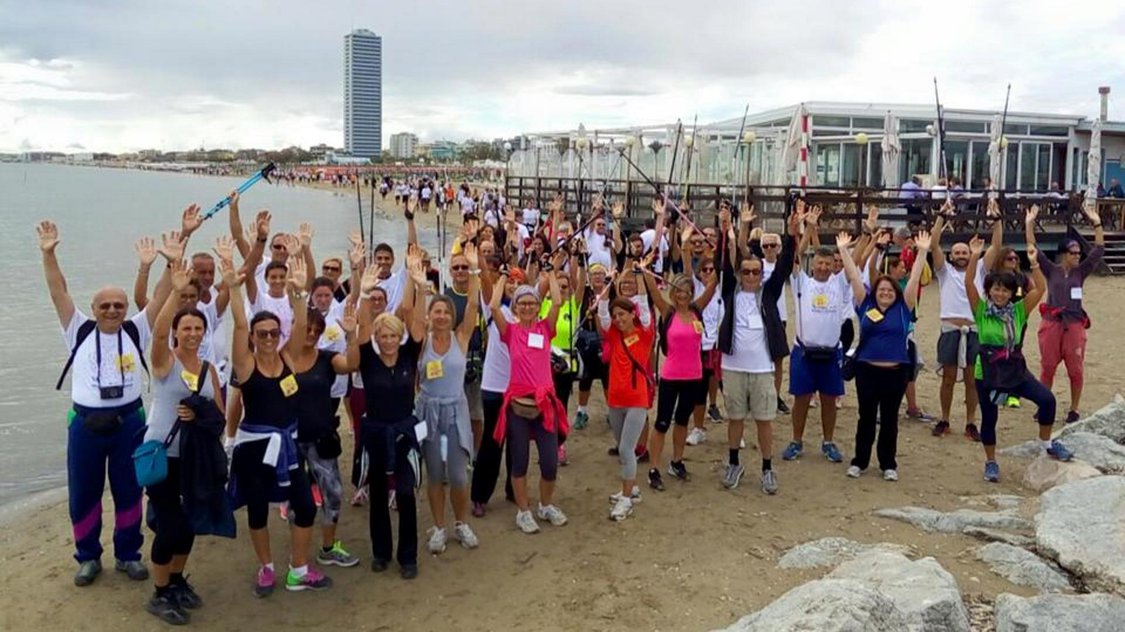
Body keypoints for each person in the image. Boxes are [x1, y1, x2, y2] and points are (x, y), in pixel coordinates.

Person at [40, 216, 181, 587]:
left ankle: (128, 554)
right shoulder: (78, 329)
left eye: (119, 304)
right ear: (94, 307)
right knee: (84, 492)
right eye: (106, 305)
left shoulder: (137, 329)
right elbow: (58, 292)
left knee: (129, 489)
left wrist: (169, 263)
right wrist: (48, 254)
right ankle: (87, 557)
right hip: (85, 424)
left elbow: (163, 295)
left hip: (129, 423)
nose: (114, 310)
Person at [221, 252, 332, 596]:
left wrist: (299, 292)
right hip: (255, 447)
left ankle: (298, 568)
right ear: (253, 337)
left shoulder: (287, 358)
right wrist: (234, 287)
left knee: (304, 506)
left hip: (287, 444)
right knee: (257, 510)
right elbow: (240, 324)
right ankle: (266, 567)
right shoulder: (245, 365)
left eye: (273, 333)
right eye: (262, 334)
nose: (269, 338)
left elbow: (300, 325)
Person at [142, 260, 226, 624]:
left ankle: (176, 581)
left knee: (190, 523)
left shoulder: (208, 370)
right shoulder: (165, 363)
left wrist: (202, 415)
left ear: (204, 332)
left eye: (197, 328)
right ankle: (160, 593)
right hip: (163, 455)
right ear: (177, 331)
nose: (192, 333)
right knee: (171, 525)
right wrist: (175, 293)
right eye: (185, 327)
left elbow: (220, 416)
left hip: (194, 460)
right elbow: (157, 336)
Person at [964, 235, 1073, 483]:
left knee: (1047, 400)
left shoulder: (1018, 311)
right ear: (989, 291)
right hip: (987, 372)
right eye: (996, 289)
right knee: (990, 417)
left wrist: (1033, 263)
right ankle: (991, 462)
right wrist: (974, 256)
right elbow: (968, 282)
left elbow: (1040, 290)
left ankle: (1046, 443)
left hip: (1014, 368)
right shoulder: (981, 311)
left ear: (1011, 293)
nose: (1000, 293)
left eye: (1005, 290)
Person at [355, 246, 427, 579]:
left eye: (392, 335)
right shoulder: (368, 359)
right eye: (383, 335)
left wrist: (419, 283)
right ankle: (380, 552)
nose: (387, 340)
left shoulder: (408, 356)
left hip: (404, 431)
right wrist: (365, 291)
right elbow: (363, 327)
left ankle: (408, 557)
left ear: (399, 337)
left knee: (406, 493)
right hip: (374, 431)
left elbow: (418, 323)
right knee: (379, 494)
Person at [838, 230, 929, 481]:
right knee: (866, 418)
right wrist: (844, 251)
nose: (886, 293)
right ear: (875, 292)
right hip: (867, 371)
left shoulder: (903, 307)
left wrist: (922, 252)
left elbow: (913, 281)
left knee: (890, 420)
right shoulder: (865, 304)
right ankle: (860, 461)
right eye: (882, 290)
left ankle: (888, 463)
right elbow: (855, 277)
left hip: (895, 373)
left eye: (890, 290)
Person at [718, 204, 797, 493]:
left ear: (762, 274)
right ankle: (734, 462)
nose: (751, 276)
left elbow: (786, 264)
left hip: (763, 369)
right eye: (746, 272)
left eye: (755, 272)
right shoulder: (730, 291)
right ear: (740, 274)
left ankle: (767, 467)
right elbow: (724, 261)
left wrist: (791, 235)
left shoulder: (770, 292)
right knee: (735, 419)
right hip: (734, 367)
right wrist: (731, 227)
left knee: (765, 421)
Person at [488, 266, 569, 534]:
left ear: (537, 306)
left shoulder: (546, 328)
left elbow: (557, 301)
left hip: (544, 407)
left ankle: (545, 505)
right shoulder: (510, 331)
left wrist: (551, 275)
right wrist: (502, 277)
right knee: (519, 461)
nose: (526, 307)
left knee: (549, 463)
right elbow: (493, 306)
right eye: (522, 303)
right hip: (518, 407)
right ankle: (523, 511)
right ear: (516, 306)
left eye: (531, 303)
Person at [286, 301, 361, 570]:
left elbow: (352, 364)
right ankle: (298, 551)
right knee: (297, 498)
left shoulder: (328, 359)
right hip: (290, 440)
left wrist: (351, 335)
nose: (312, 333)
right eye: (307, 328)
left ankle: (328, 547)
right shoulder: (284, 358)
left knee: (333, 493)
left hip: (320, 437)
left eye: (317, 330)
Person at [419, 243, 483, 554]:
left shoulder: (461, 336)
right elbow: (409, 313)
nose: (442, 316)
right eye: (437, 311)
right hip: (430, 413)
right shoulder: (422, 342)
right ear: (430, 315)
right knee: (435, 473)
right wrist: (419, 286)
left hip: (456, 412)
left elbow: (472, 304)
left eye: (446, 311)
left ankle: (461, 522)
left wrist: (473, 270)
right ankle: (439, 527)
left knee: (457, 474)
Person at [1025, 204, 1105, 422]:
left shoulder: (1082, 271)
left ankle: (1074, 408)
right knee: (1047, 368)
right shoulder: (1051, 269)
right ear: (1063, 255)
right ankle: (1044, 404)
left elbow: (1098, 250)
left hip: (1075, 325)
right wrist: (1029, 223)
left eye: (1079, 252)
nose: (1078, 256)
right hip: (1052, 323)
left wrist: (1096, 222)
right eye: (1073, 253)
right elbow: (1032, 246)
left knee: (1075, 370)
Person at [782, 206, 848, 464]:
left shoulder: (838, 283)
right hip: (804, 350)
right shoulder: (802, 282)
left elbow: (858, 264)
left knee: (830, 399)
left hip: (830, 351)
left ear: (833, 266)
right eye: (819, 263)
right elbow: (796, 257)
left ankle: (828, 441)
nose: (822, 267)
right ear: (814, 264)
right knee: (801, 398)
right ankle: (796, 440)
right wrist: (808, 229)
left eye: (827, 264)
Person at [643, 263, 716, 490]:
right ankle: (654, 468)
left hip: (693, 376)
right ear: (673, 293)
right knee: (662, 422)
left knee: (683, 421)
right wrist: (645, 269)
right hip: (671, 377)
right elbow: (654, 292)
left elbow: (713, 284)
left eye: (686, 291)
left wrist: (724, 247)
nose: (682, 295)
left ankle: (677, 461)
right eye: (678, 291)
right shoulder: (668, 311)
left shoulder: (697, 310)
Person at [596, 297, 655, 521]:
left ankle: (626, 499)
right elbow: (602, 315)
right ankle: (632, 488)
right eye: (616, 315)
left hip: (636, 400)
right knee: (622, 447)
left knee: (626, 450)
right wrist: (606, 288)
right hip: (615, 400)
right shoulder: (614, 333)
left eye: (623, 314)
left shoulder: (644, 334)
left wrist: (639, 274)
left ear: (633, 314)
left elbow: (647, 313)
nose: (618, 319)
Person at [930, 200, 982, 441]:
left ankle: (971, 421)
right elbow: (933, 244)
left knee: (972, 379)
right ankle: (945, 418)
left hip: (973, 329)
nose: (962, 256)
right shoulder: (945, 271)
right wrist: (941, 217)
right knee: (948, 378)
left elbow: (998, 246)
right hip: (950, 328)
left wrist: (998, 221)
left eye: (965, 252)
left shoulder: (978, 268)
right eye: (958, 253)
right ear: (952, 256)